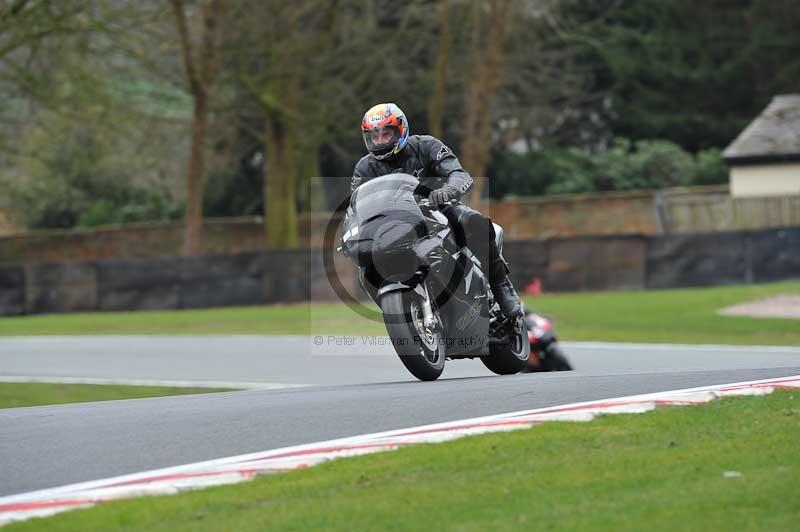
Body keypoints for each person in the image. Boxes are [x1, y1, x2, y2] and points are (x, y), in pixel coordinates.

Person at [351, 103, 522, 319]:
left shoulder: (426, 145)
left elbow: (458, 173)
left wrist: (448, 189)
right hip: (393, 224)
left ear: (401, 130)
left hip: (435, 208)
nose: (380, 141)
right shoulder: (364, 168)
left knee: (473, 220)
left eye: (386, 134)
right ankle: (398, 311)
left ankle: (501, 286)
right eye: (374, 136)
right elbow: (357, 205)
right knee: (366, 264)